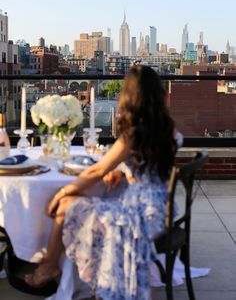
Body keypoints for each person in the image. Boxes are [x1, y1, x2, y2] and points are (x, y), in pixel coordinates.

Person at [25, 65, 177, 299]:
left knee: (66, 204)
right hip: (160, 211)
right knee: (82, 204)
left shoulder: (135, 133)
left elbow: (97, 170)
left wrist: (61, 192)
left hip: (137, 217)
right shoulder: (169, 130)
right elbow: (151, 166)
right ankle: (57, 266)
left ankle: (49, 265)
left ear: (130, 96)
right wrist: (125, 169)